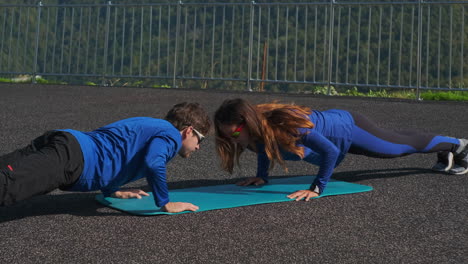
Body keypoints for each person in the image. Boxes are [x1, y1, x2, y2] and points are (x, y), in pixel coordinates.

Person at [214, 98, 467, 202]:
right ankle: (442, 145)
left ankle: (457, 145)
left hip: (348, 128)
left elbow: (331, 154)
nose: (232, 139)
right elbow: (263, 148)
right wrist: (263, 176)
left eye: (234, 133)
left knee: (396, 149)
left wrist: (316, 188)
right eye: (226, 136)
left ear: (249, 122)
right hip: (335, 129)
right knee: (398, 141)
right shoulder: (255, 133)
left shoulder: (287, 128)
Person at [0, 102, 211, 213]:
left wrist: (112, 189)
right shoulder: (172, 136)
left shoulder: (152, 125)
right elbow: (153, 163)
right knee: (8, 187)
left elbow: (117, 148)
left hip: (66, 142)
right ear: (188, 130)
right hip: (71, 157)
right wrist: (165, 203)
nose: (199, 146)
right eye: (200, 139)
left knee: (6, 171)